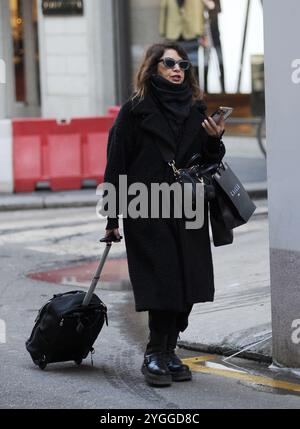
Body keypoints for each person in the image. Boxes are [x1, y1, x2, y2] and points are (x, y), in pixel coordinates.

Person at [102, 42, 226, 387]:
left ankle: (170, 349)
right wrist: (112, 218)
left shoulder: (196, 110)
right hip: (148, 207)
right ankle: (155, 352)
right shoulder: (135, 110)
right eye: (168, 63)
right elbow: (117, 164)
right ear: (153, 67)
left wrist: (215, 141)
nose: (177, 70)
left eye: (183, 65)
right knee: (164, 282)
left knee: (190, 284)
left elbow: (209, 160)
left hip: (187, 206)